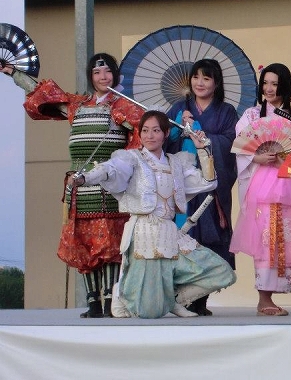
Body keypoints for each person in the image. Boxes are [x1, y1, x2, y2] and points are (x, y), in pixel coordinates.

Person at [1, 53, 144, 318]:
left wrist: (130, 137)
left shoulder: (124, 106)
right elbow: (43, 94)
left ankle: (111, 301)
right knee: (83, 242)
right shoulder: (77, 105)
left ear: (115, 75)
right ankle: (93, 303)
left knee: (111, 243)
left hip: (110, 184)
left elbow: (144, 133)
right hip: (78, 185)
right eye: (97, 73)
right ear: (91, 77)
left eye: (108, 72)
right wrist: (14, 74)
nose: (103, 77)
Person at [67, 110, 237, 318]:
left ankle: (174, 300)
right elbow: (110, 170)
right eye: (145, 130)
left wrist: (203, 149)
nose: (150, 136)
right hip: (144, 234)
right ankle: (121, 294)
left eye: (156, 130)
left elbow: (209, 182)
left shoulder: (176, 163)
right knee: (149, 312)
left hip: (170, 233)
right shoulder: (132, 159)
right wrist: (85, 178)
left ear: (166, 134)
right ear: (139, 134)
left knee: (222, 272)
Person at [230, 63, 291, 316]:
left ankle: (275, 292)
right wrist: (256, 158)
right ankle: (264, 298)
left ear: (285, 86)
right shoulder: (251, 115)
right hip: (261, 183)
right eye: (265, 83)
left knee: (287, 236)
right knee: (265, 237)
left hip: (288, 181)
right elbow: (241, 147)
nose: (268, 89)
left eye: (275, 84)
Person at [166, 58, 238, 316]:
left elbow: (231, 143)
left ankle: (201, 298)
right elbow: (163, 139)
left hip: (209, 186)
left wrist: (204, 136)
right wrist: (178, 126)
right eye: (196, 77)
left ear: (216, 83)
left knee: (209, 237)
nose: (200, 83)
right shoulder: (178, 108)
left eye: (207, 78)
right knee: (182, 237)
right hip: (182, 185)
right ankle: (181, 296)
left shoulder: (226, 111)